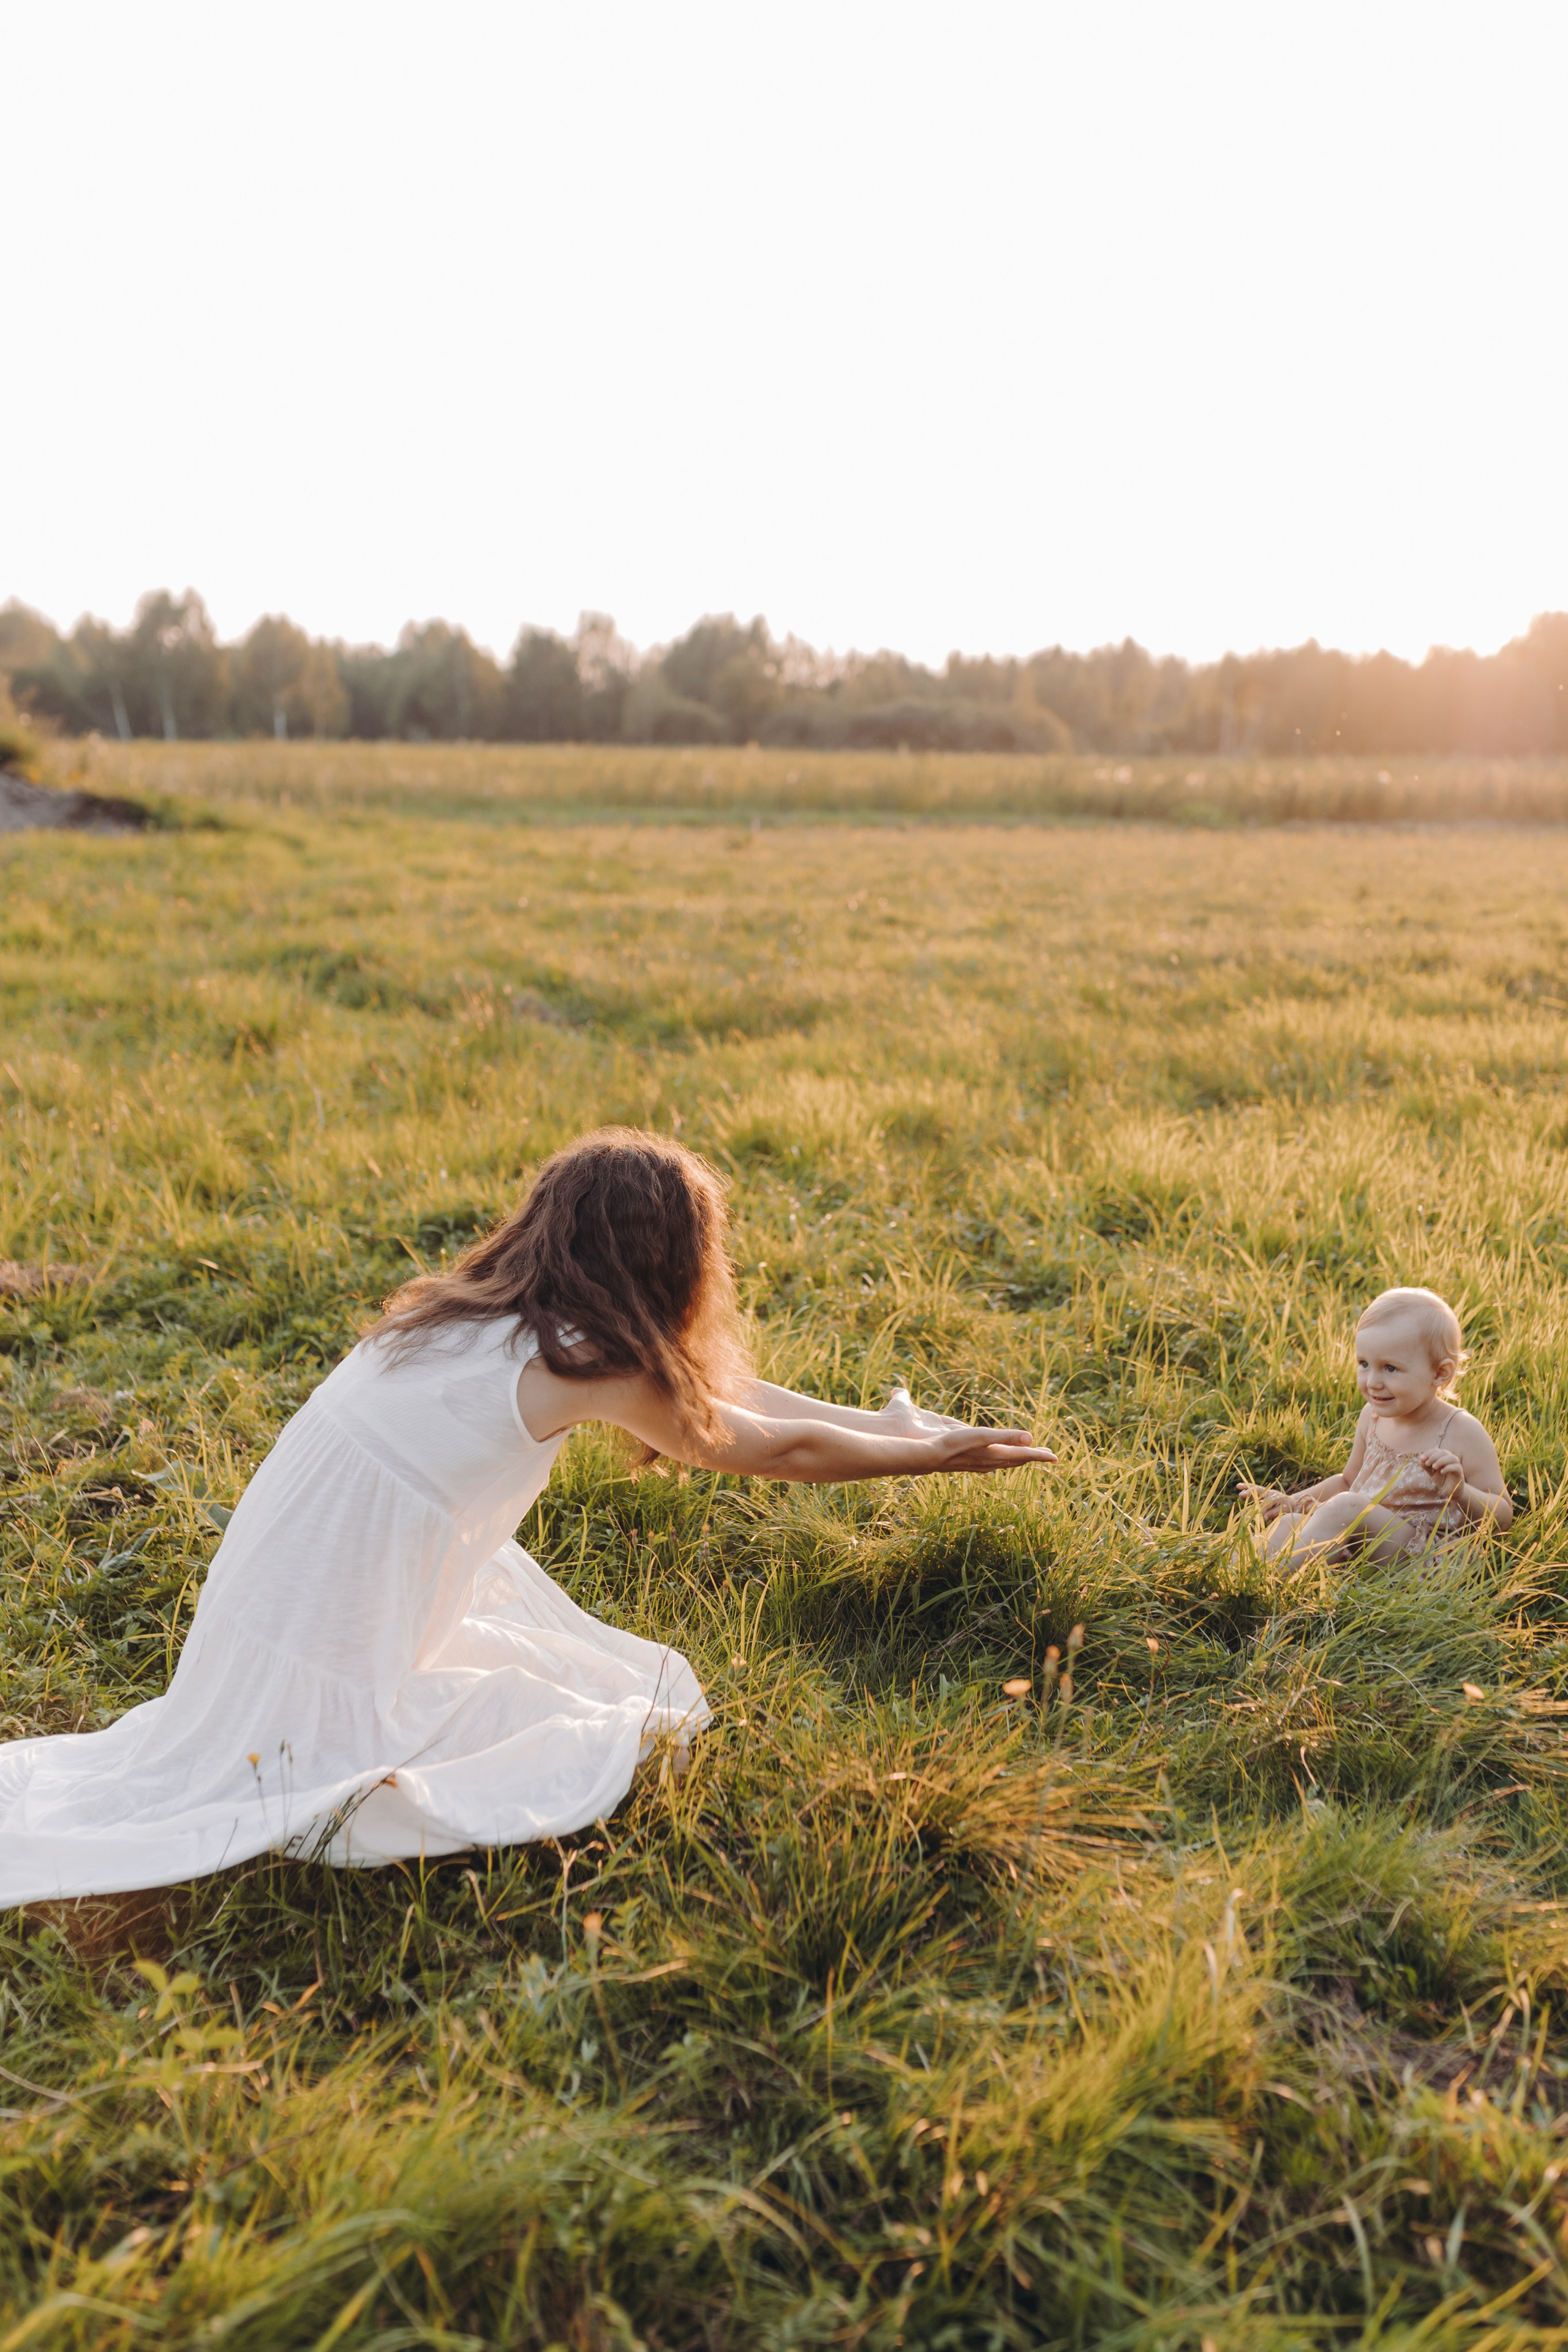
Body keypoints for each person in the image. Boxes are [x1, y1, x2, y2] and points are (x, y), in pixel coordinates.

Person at [0, 1129, 1054, 1907]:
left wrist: (888, 1423)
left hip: (280, 1600)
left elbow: (731, 1397)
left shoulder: (474, 1313)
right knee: (630, 1718)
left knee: (609, 1687)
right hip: (331, 1637)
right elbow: (763, 1446)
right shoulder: (576, 1361)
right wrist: (925, 1458)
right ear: (670, 1260)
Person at [1240, 1285, 1510, 1567]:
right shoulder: (1373, 1416)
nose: (1372, 1382)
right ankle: (1233, 1575)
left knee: (1347, 1507)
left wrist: (1461, 1493)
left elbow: (1503, 1516)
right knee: (1291, 1521)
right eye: (1364, 1364)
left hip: (1423, 1554)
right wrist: (1292, 1500)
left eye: (1390, 1368)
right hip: (1367, 1537)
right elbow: (1348, 1481)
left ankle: (1270, 1587)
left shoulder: (1462, 1432)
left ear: (1440, 1373)